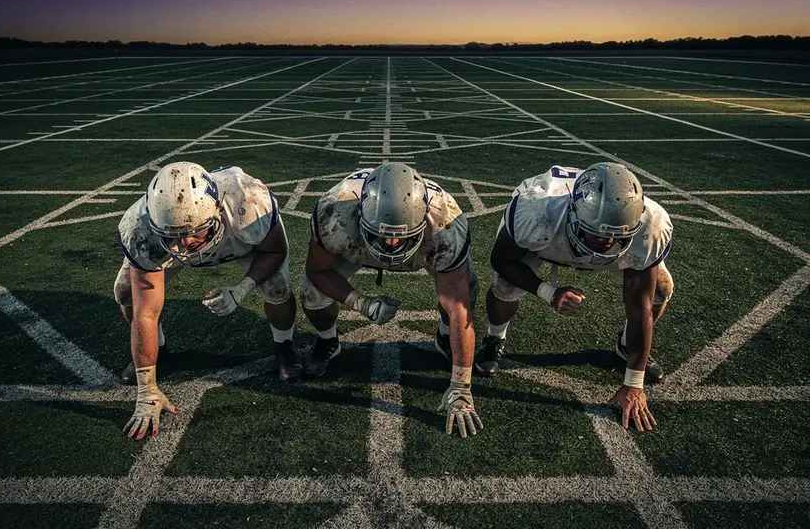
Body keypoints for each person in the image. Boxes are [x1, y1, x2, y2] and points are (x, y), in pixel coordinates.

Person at [114, 161, 301, 440]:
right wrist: (146, 390)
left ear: (216, 210)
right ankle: (159, 351)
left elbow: (275, 251)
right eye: (174, 235)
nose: (186, 243)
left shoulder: (248, 200)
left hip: (236, 237)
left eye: (194, 231)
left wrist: (241, 288)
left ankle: (284, 344)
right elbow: (146, 313)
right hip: (187, 234)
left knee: (277, 287)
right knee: (126, 293)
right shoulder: (140, 227)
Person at [482, 163, 673, 431]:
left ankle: (626, 345)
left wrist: (634, 383)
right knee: (504, 287)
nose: (605, 242)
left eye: (615, 235)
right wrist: (549, 292)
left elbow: (640, 304)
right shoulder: (537, 210)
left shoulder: (650, 225)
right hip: (551, 240)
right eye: (597, 234)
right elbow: (501, 260)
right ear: (573, 212)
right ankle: (494, 338)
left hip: (590, 236)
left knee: (660, 291)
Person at [302, 163, 483, 437]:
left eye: (399, 239)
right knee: (311, 293)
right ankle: (328, 340)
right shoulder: (335, 211)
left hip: (421, 245)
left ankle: (445, 336)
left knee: (466, 288)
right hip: (358, 245)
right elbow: (317, 270)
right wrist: (362, 303)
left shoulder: (445, 221)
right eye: (382, 237)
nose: (390, 245)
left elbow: (458, 306)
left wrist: (461, 387)